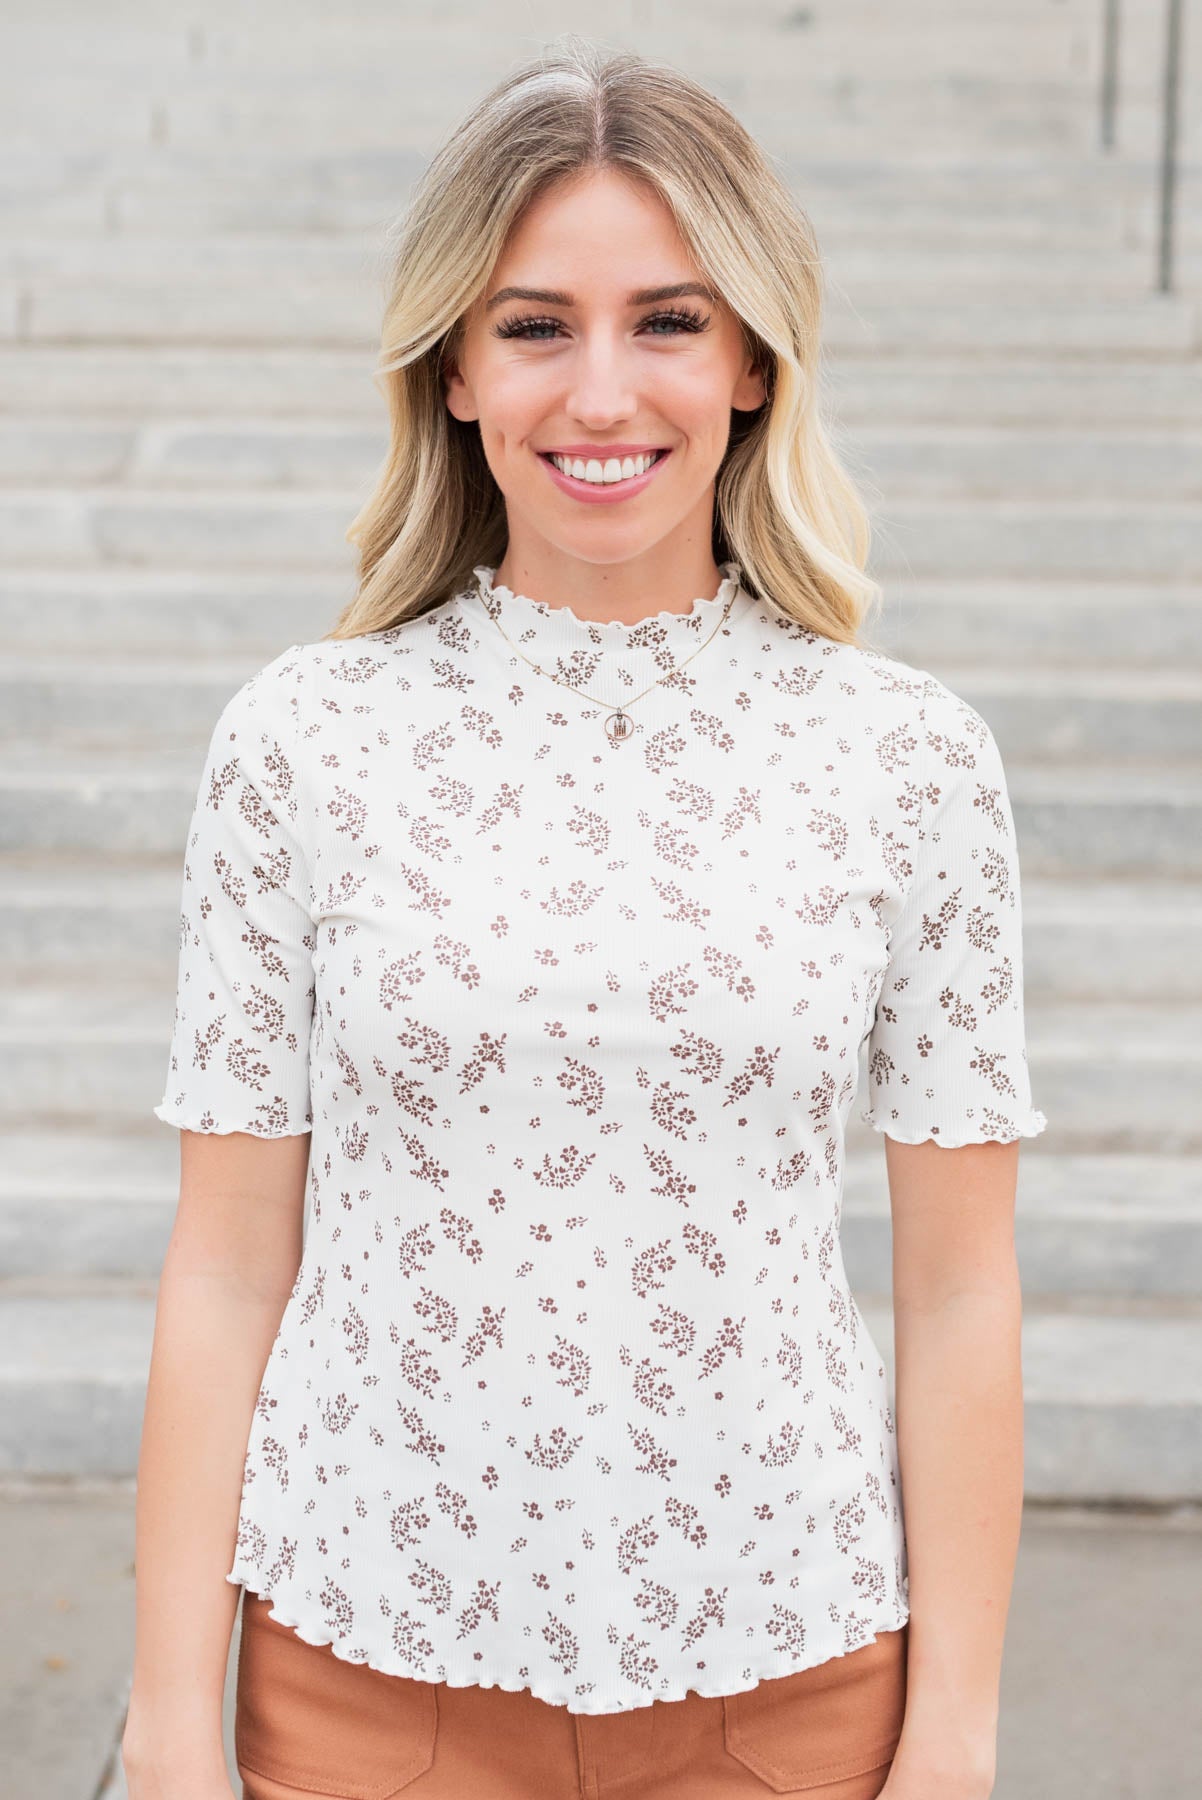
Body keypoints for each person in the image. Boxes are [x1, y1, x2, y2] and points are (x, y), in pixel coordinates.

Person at [122, 33, 1046, 1800]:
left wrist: (956, 1737)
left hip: (790, 1678)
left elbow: (956, 1290)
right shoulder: (303, 740)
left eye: (670, 321)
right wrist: (172, 1725)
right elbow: (228, 1263)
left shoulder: (908, 757)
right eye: (535, 325)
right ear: (454, 370)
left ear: (757, 360)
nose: (602, 392)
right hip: (363, 1670)